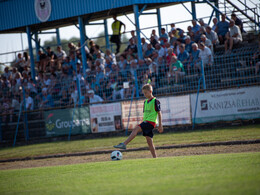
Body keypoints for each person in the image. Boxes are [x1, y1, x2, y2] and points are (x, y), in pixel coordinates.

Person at [114, 84, 163, 158]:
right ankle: (155, 158)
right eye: (144, 93)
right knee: (149, 141)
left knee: (136, 129)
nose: (145, 94)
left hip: (151, 122)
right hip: (146, 122)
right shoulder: (145, 102)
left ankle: (124, 144)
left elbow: (159, 113)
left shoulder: (155, 101)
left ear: (150, 91)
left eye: (146, 93)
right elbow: (146, 114)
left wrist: (160, 125)